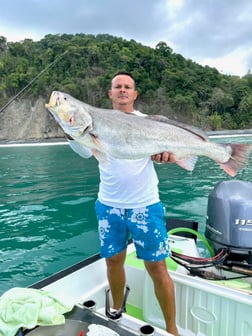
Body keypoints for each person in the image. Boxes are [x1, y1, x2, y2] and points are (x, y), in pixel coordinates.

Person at [67, 71, 178, 336]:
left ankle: (172, 329)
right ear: (110, 93)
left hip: (145, 205)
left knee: (157, 266)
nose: (123, 90)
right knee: (113, 260)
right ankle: (116, 308)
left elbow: (169, 151)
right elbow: (83, 151)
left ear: (135, 93)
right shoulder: (94, 123)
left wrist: (167, 156)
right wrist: (70, 130)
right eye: (118, 86)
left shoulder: (149, 123)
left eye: (128, 86)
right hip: (108, 205)